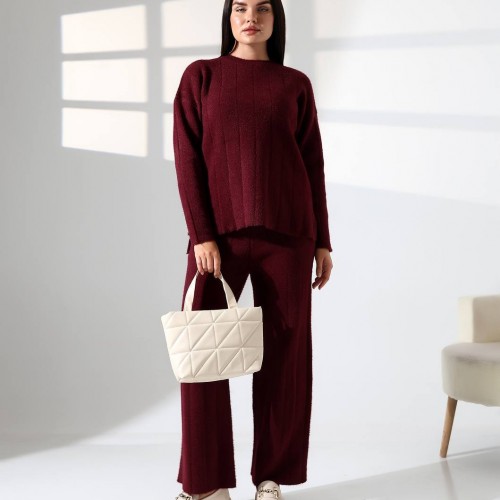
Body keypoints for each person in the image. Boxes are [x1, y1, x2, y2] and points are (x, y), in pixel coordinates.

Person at [172, 1, 333, 499]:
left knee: (286, 358)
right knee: (200, 352)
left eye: (263, 9)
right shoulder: (202, 77)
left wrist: (322, 240)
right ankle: (206, 485)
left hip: (289, 236)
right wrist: (202, 234)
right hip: (217, 238)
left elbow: (312, 164)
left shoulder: (294, 84)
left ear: (275, 20)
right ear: (228, 17)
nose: (251, 17)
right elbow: (186, 156)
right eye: (240, 7)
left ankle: (271, 478)